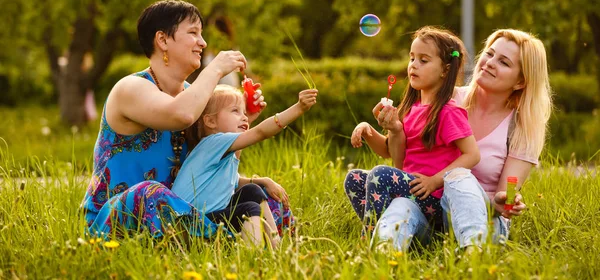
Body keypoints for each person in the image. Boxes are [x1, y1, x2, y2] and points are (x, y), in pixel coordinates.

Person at [81, 0, 256, 239]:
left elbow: (209, 162)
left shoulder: (192, 96)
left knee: (260, 194)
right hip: (118, 219)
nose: (203, 43)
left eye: (201, 34)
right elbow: (180, 115)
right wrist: (214, 70)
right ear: (162, 40)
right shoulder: (130, 88)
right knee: (151, 193)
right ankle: (224, 240)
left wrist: (245, 125)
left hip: (179, 213)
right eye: (193, 33)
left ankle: (240, 244)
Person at [371, 29, 552, 251]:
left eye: (504, 62)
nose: (490, 63)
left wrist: (504, 200)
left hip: (486, 221)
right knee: (400, 205)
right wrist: (394, 130)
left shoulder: (521, 128)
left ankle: (472, 252)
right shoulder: (445, 99)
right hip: (433, 215)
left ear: (520, 82)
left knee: (457, 175)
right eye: (489, 53)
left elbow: (506, 194)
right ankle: (381, 255)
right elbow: (405, 158)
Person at [344, 26, 480, 235]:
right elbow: (391, 154)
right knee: (354, 178)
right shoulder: (410, 109)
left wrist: (434, 180)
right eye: (412, 58)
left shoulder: (448, 112)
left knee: (380, 174)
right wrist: (368, 130)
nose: (413, 66)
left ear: (445, 69)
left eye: (423, 60)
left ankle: (370, 238)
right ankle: (390, 231)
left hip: (432, 197)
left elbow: (472, 155)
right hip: (408, 190)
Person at [172, 85, 318, 247]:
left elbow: (235, 182)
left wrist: (263, 181)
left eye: (244, 113)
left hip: (205, 219)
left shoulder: (220, 154)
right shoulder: (213, 142)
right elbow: (260, 132)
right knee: (249, 209)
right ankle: (254, 255)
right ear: (210, 121)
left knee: (252, 190)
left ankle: (276, 242)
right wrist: (299, 108)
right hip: (187, 224)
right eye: (235, 111)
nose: (244, 117)